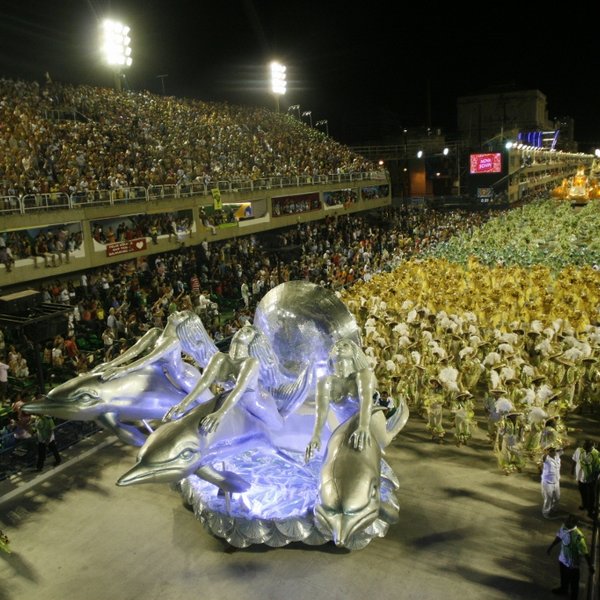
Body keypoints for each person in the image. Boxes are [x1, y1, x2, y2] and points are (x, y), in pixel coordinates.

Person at [547, 513, 594, 598]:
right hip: (562, 559)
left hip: (572, 565)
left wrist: (590, 565)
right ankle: (563, 589)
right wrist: (551, 546)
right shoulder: (564, 527)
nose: (566, 521)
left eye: (568, 521)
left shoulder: (578, 536)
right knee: (564, 577)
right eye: (567, 520)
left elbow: (585, 552)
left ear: (574, 524)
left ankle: (573, 596)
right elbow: (559, 537)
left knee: (574, 583)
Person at [571, 439, 599, 518]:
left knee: (591, 496)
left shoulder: (596, 454)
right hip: (580, 478)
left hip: (591, 480)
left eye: (587, 449)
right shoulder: (579, 450)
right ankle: (584, 505)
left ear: (591, 447)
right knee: (583, 493)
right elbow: (574, 460)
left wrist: (595, 478)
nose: (585, 450)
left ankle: (590, 511)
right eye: (584, 448)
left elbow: (597, 468)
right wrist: (572, 469)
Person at [541, 446, 563, 519]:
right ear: (548, 452)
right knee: (548, 499)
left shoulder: (557, 456)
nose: (554, 452)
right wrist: (546, 453)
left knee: (557, 497)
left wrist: (558, 446)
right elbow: (543, 458)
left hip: (556, 481)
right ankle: (546, 513)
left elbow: (562, 450)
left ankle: (553, 509)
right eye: (552, 451)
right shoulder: (546, 459)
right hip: (548, 482)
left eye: (554, 451)